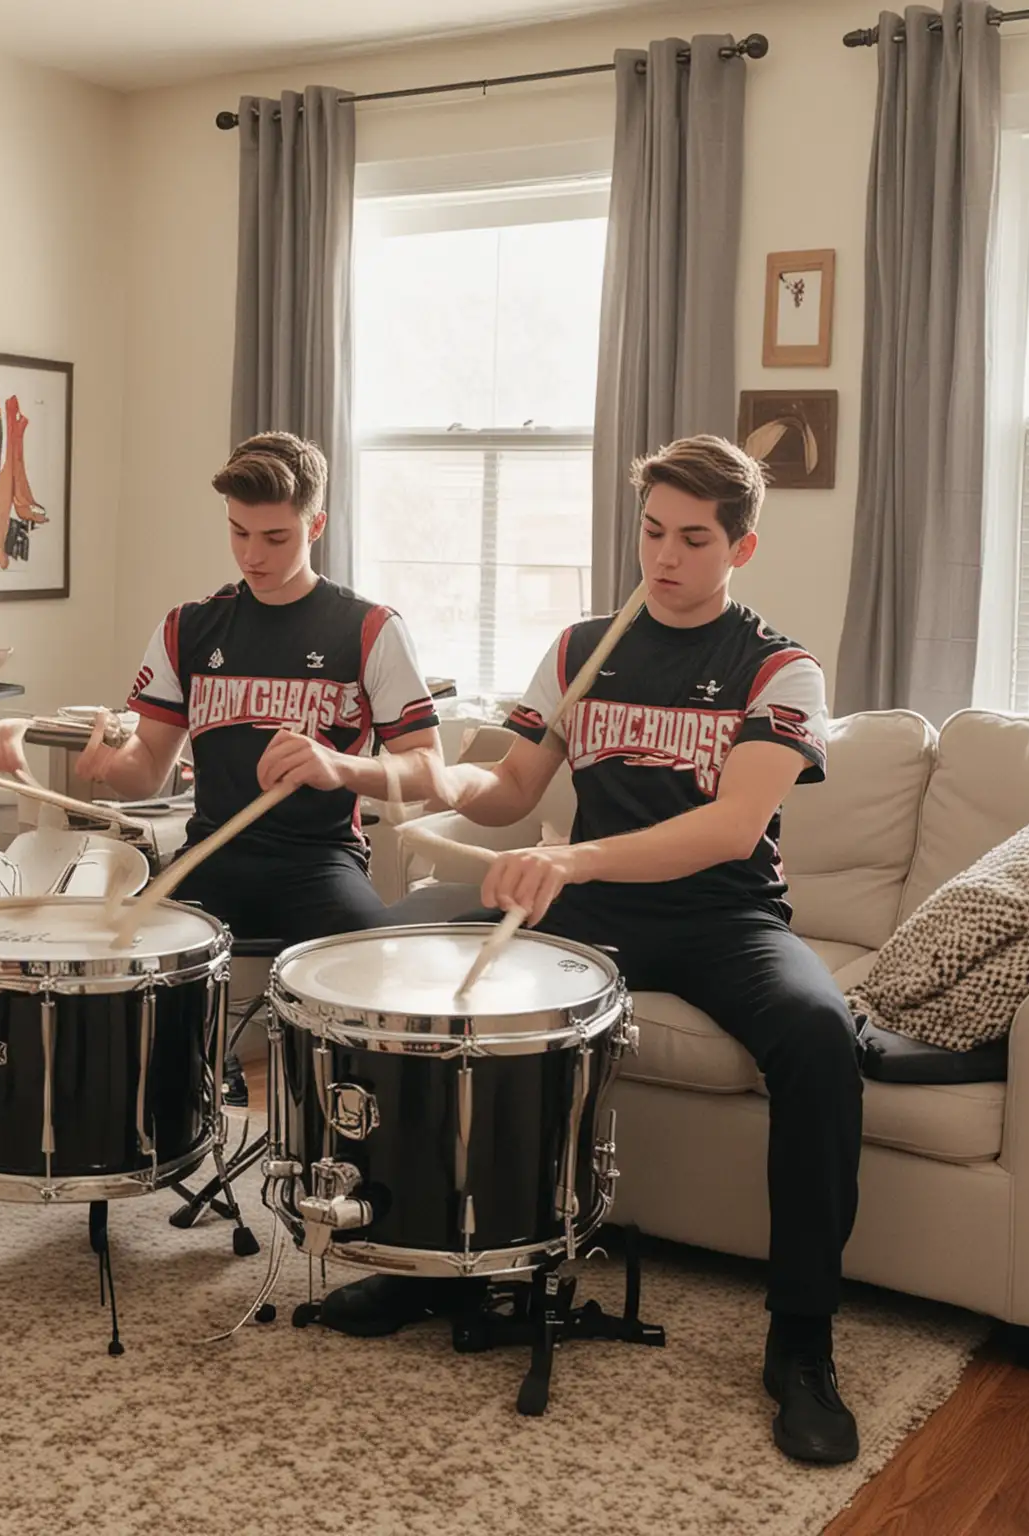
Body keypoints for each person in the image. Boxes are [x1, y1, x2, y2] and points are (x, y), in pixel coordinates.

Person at [323, 435, 864, 1467]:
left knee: (817, 1038)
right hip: (591, 909)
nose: (663, 557)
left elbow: (731, 829)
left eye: (693, 539)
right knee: (387, 950)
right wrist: (378, 777)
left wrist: (573, 862)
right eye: (652, 532)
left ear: (740, 546)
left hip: (725, 921)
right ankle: (428, 1255)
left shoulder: (782, 669)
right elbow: (511, 790)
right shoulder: (580, 649)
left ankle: (801, 1343)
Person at [0, 431, 446, 1103]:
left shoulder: (369, 629)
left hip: (320, 860)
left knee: (366, 974)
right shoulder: (189, 628)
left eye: (275, 538)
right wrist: (108, 766)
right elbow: (145, 773)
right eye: (238, 533)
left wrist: (338, 767)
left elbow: (428, 770)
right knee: (113, 971)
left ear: (317, 524)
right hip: (212, 857)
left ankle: (344, 1132)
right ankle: (181, 1107)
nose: (253, 555)